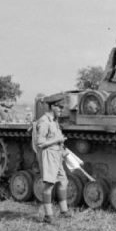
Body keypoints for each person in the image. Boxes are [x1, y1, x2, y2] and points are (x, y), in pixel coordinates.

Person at [33, 95, 72, 224]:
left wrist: (63, 149)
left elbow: (56, 137)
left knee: (63, 181)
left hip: (57, 154)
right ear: (53, 107)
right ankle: (48, 216)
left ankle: (64, 211)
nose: (62, 110)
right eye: (60, 107)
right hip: (48, 154)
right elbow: (40, 143)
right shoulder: (44, 121)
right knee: (49, 185)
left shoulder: (54, 121)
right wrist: (58, 140)